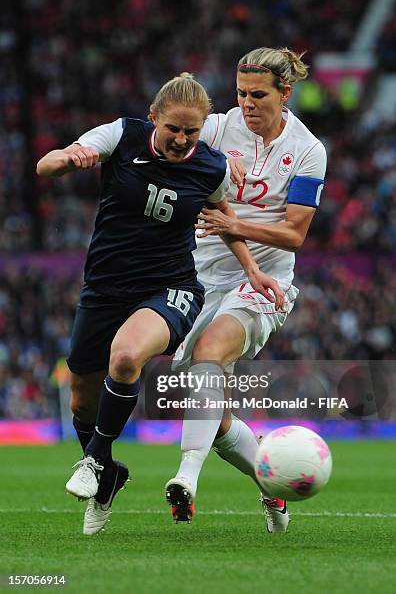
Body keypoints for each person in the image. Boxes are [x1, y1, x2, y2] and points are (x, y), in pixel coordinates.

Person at [36, 73, 284, 535]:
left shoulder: (211, 167)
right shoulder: (121, 135)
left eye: (192, 131)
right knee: (81, 398)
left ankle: (92, 461)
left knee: (127, 355)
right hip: (104, 288)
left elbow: (223, 214)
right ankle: (108, 475)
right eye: (174, 129)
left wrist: (250, 268)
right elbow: (44, 167)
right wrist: (72, 157)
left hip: (170, 288)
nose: (182, 139)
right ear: (155, 118)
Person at [165, 48, 327, 532]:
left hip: (264, 282)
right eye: (240, 93)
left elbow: (295, 233)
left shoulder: (307, 150)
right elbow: (171, 145)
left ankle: (185, 478)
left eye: (258, 95)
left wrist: (232, 222)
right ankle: (272, 488)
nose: (247, 104)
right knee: (213, 416)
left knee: (210, 354)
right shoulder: (216, 129)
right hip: (196, 275)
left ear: (285, 93)